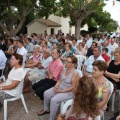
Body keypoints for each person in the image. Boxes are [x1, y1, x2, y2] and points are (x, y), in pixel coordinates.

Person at [37, 55, 79, 120]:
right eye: (66, 61)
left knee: (54, 100)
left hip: (68, 91)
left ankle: (52, 118)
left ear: (73, 64)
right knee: (46, 93)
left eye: (68, 62)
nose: (66, 63)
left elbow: (73, 87)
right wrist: (56, 86)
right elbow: (59, 80)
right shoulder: (65, 69)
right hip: (60, 87)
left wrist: (61, 91)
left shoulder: (75, 73)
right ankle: (47, 109)